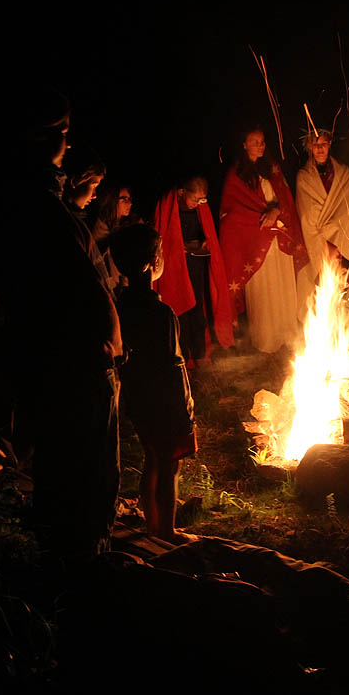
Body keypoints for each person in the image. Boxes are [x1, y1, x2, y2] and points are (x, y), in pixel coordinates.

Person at [0, 85, 122, 560]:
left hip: (73, 364)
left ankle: (77, 568)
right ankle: (78, 585)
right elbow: (60, 290)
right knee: (78, 484)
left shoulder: (33, 198)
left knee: (76, 479)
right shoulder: (27, 204)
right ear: (37, 136)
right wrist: (96, 344)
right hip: (69, 368)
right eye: (64, 134)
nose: (69, 146)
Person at [108, 223, 197, 543]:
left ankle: (153, 528)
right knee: (170, 464)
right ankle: (167, 531)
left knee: (152, 459)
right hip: (164, 402)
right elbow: (172, 365)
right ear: (150, 263)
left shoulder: (121, 307)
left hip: (139, 398)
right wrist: (184, 406)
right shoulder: (160, 313)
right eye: (159, 254)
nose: (163, 259)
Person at [217, 127, 309, 353]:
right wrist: (259, 219)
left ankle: (288, 339)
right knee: (264, 290)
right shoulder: (236, 175)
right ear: (244, 144)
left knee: (282, 286)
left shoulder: (272, 169)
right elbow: (232, 214)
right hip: (256, 243)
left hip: (278, 239)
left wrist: (276, 212)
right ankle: (267, 341)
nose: (260, 145)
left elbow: (285, 200)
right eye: (255, 141)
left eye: (263, 141)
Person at [152, 175, 234, 367]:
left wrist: (206, 241)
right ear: (182, 193)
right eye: (195, 199)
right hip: (174, 268)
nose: (198, 204)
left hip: (196, 263)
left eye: (202, 200)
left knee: (197, 307)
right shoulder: (167, 205)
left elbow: (206, 231)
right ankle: (181, 354)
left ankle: (199, 355)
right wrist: (175, 249)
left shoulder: (200, 207)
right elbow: (163, 235)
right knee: (180, 309)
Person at [295, 130, 349, 321]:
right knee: (323, 286)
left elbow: (347, 211)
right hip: (319, 239)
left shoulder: (343, 172)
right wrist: (325, 239)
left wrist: (334, 230)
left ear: (330, 144)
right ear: (309, 148)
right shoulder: (304, 176)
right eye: (315, 144)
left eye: (323, 144)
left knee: (347, 281)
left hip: (344, 237)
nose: (320, 148)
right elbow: (307, 214)